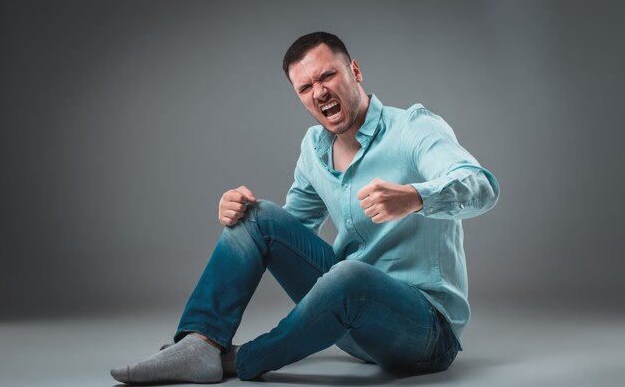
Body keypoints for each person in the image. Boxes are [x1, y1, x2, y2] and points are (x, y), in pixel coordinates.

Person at [110, 31, 500, 384]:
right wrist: (239, 218)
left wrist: (415, 197)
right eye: (306, 87)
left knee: (350, 276)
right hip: (352, 329)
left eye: (327, 76)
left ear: (355, 71)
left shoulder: (413, 129)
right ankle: (199, 343)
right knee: (256, 216)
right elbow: (286, 234)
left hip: (426, 334)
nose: (319, 92)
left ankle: (243, 359)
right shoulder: (315, 149)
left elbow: (481, 187)